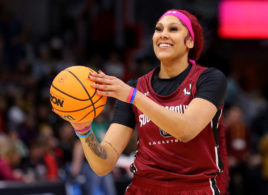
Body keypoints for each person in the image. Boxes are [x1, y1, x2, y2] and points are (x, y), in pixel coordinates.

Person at [53, 9, 229, 194]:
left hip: (193, 189)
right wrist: (83, 129)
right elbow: (103, 164)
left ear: (190, 41)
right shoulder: (134, 87)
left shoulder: (209, 79)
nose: (163, 35)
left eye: (173, 29)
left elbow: (186, 130)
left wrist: (134, 96)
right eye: (158, 29)